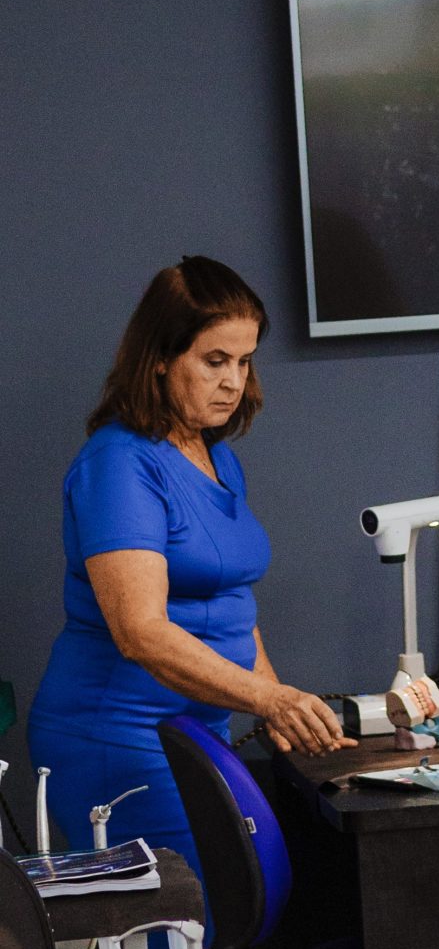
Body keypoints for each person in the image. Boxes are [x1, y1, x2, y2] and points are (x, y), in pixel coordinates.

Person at [27, 257, 355, 884]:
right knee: (177, 939)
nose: (234, 381)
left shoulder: (215, 456)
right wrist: (270, 698)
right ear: (160, 357)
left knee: (228, 919)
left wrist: (275, 705)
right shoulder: (120, 464)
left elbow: (230, 594)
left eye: (245, 360)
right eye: (214, 360)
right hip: (115, 738)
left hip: (196, 731)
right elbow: (140, 632)